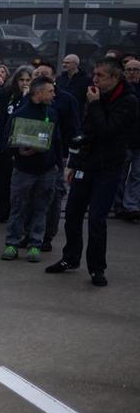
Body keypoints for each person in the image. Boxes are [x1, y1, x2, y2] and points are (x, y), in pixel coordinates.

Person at [47, 57, 139, 286]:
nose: (95, 79)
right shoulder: (96, 96)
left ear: (115, 77)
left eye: (100, 76)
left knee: (97, 219)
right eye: (94, 74)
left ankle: (97, 268)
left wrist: (96, 104)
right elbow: (86, 133)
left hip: (108, 167)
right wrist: (73, 164)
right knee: (72, 214)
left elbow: (108, 130)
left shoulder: (128, 101)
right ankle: (70, 257)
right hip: (86, 164)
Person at [0, 76, 63, 263]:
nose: (53, 94)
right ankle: (12, 243)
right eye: (50, 91)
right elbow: (5, 141)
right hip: (24, 170)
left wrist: (60, 166)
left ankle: (35, 244)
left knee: (41, 208)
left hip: (47, 170)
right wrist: (19, 149)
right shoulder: (19, 114)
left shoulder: (52, 114)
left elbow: (57, 141)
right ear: (38, 92)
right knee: (19, 207)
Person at [32, 61, 81, 251]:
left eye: (45, 74)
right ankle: (30, 233)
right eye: (37, 74)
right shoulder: (28, 98)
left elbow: (74, 129)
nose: (40, 77)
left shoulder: (66, 100)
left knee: (52, 198)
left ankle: (46, 236)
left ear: (54, 78)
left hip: (57, 157)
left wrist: (71, 158)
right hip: (30, 157)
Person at [0, 65, 34, 223]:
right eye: (21, 80)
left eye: (28, 80)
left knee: (21, 184)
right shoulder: (7, 95)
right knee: (2, 180)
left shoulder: (33, 98)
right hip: (6, 145)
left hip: (24, 145)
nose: (24, 83)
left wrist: (27, 98)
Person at [115, 57, 140, 221]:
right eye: (129, 70)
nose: (132, 73)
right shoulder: (120, 89)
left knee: (137, 175)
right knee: (119, 174)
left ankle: (131, 206)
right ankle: (118, 205)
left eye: (135, 70)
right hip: (123, 139)